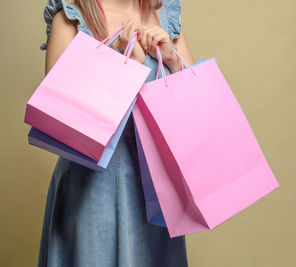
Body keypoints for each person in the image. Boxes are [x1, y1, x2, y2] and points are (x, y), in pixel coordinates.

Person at [38, 0, 194, 266]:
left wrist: (172, 62)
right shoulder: (70, 18)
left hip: (157, 199)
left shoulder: (164, 15)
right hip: (90, 194)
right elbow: (60, 122)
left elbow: (193, 117)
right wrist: (124, 67)